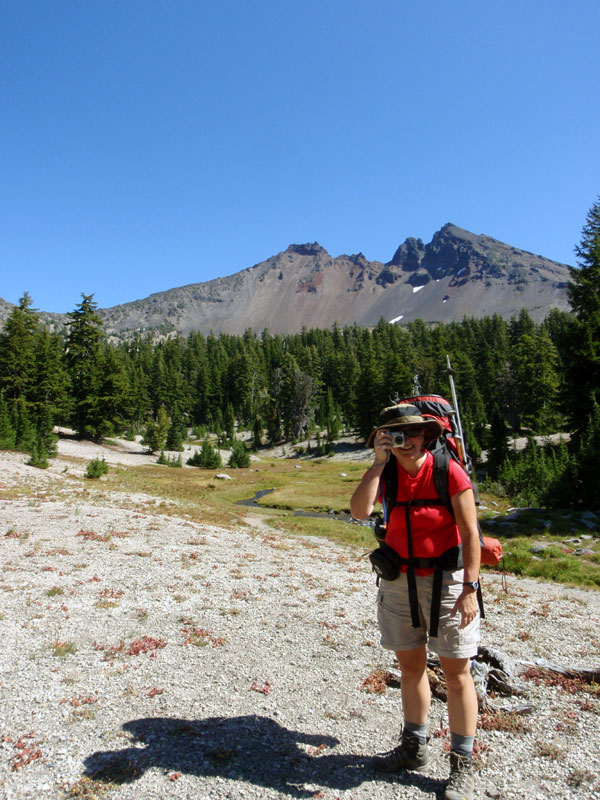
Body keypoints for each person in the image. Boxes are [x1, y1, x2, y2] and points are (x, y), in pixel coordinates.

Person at [350, 403, 481, 800]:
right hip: (398, 580)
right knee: (410, 667)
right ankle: (414, 747)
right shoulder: (386, 471)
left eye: (409, 434)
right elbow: (359, 511)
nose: (403, 441)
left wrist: (470, 588)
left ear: (425, 436)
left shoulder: (447, 471)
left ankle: (462, 762)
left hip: (447, 581)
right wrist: (376, 463)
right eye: (393, 434)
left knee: (457, 673)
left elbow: (471, 533)